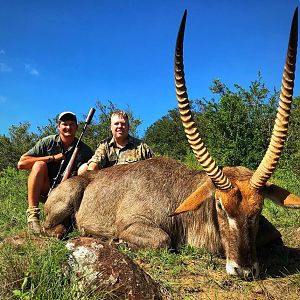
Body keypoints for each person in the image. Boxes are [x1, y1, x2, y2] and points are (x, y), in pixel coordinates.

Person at [17, 111, 93, 234]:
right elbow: (21, 164)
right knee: (39, 165)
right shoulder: (48, 142)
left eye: (71, 124)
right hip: (47, 189)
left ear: (76, 127)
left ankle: (76, 216)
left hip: (68, 194)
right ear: (58, 126)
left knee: (86, 169)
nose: (68, 127)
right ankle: (33, 215)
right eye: (65, 124)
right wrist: (52, 158)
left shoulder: (85, 150)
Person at [78, 110, 153, 173]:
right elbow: (95, 162)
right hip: (110, 186)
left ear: (128, 126)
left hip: (135, 186)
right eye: (116, 124)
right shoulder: (105, 145)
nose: (120, 126)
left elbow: (154, 167)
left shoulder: (142, 147)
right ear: (111, 127)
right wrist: (90, 172)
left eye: (123, 124)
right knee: (83, 169)